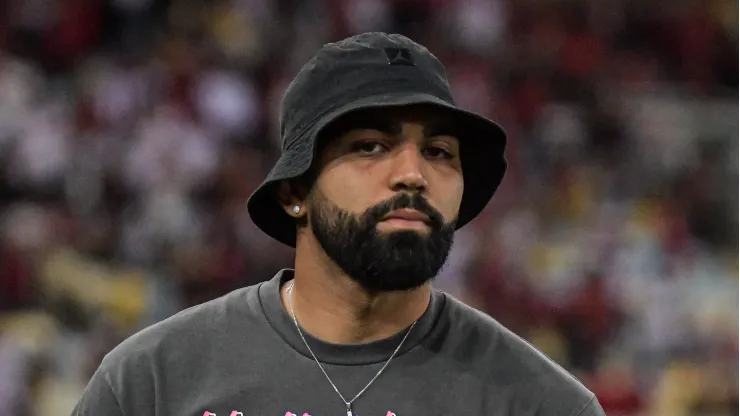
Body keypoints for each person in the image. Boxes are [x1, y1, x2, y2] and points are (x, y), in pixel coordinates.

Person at [72, 32, 606, 416]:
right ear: (295, 192)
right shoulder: (153, 383)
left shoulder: (541, 402)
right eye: (370, 146)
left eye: (439, 151)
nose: (413, 175)